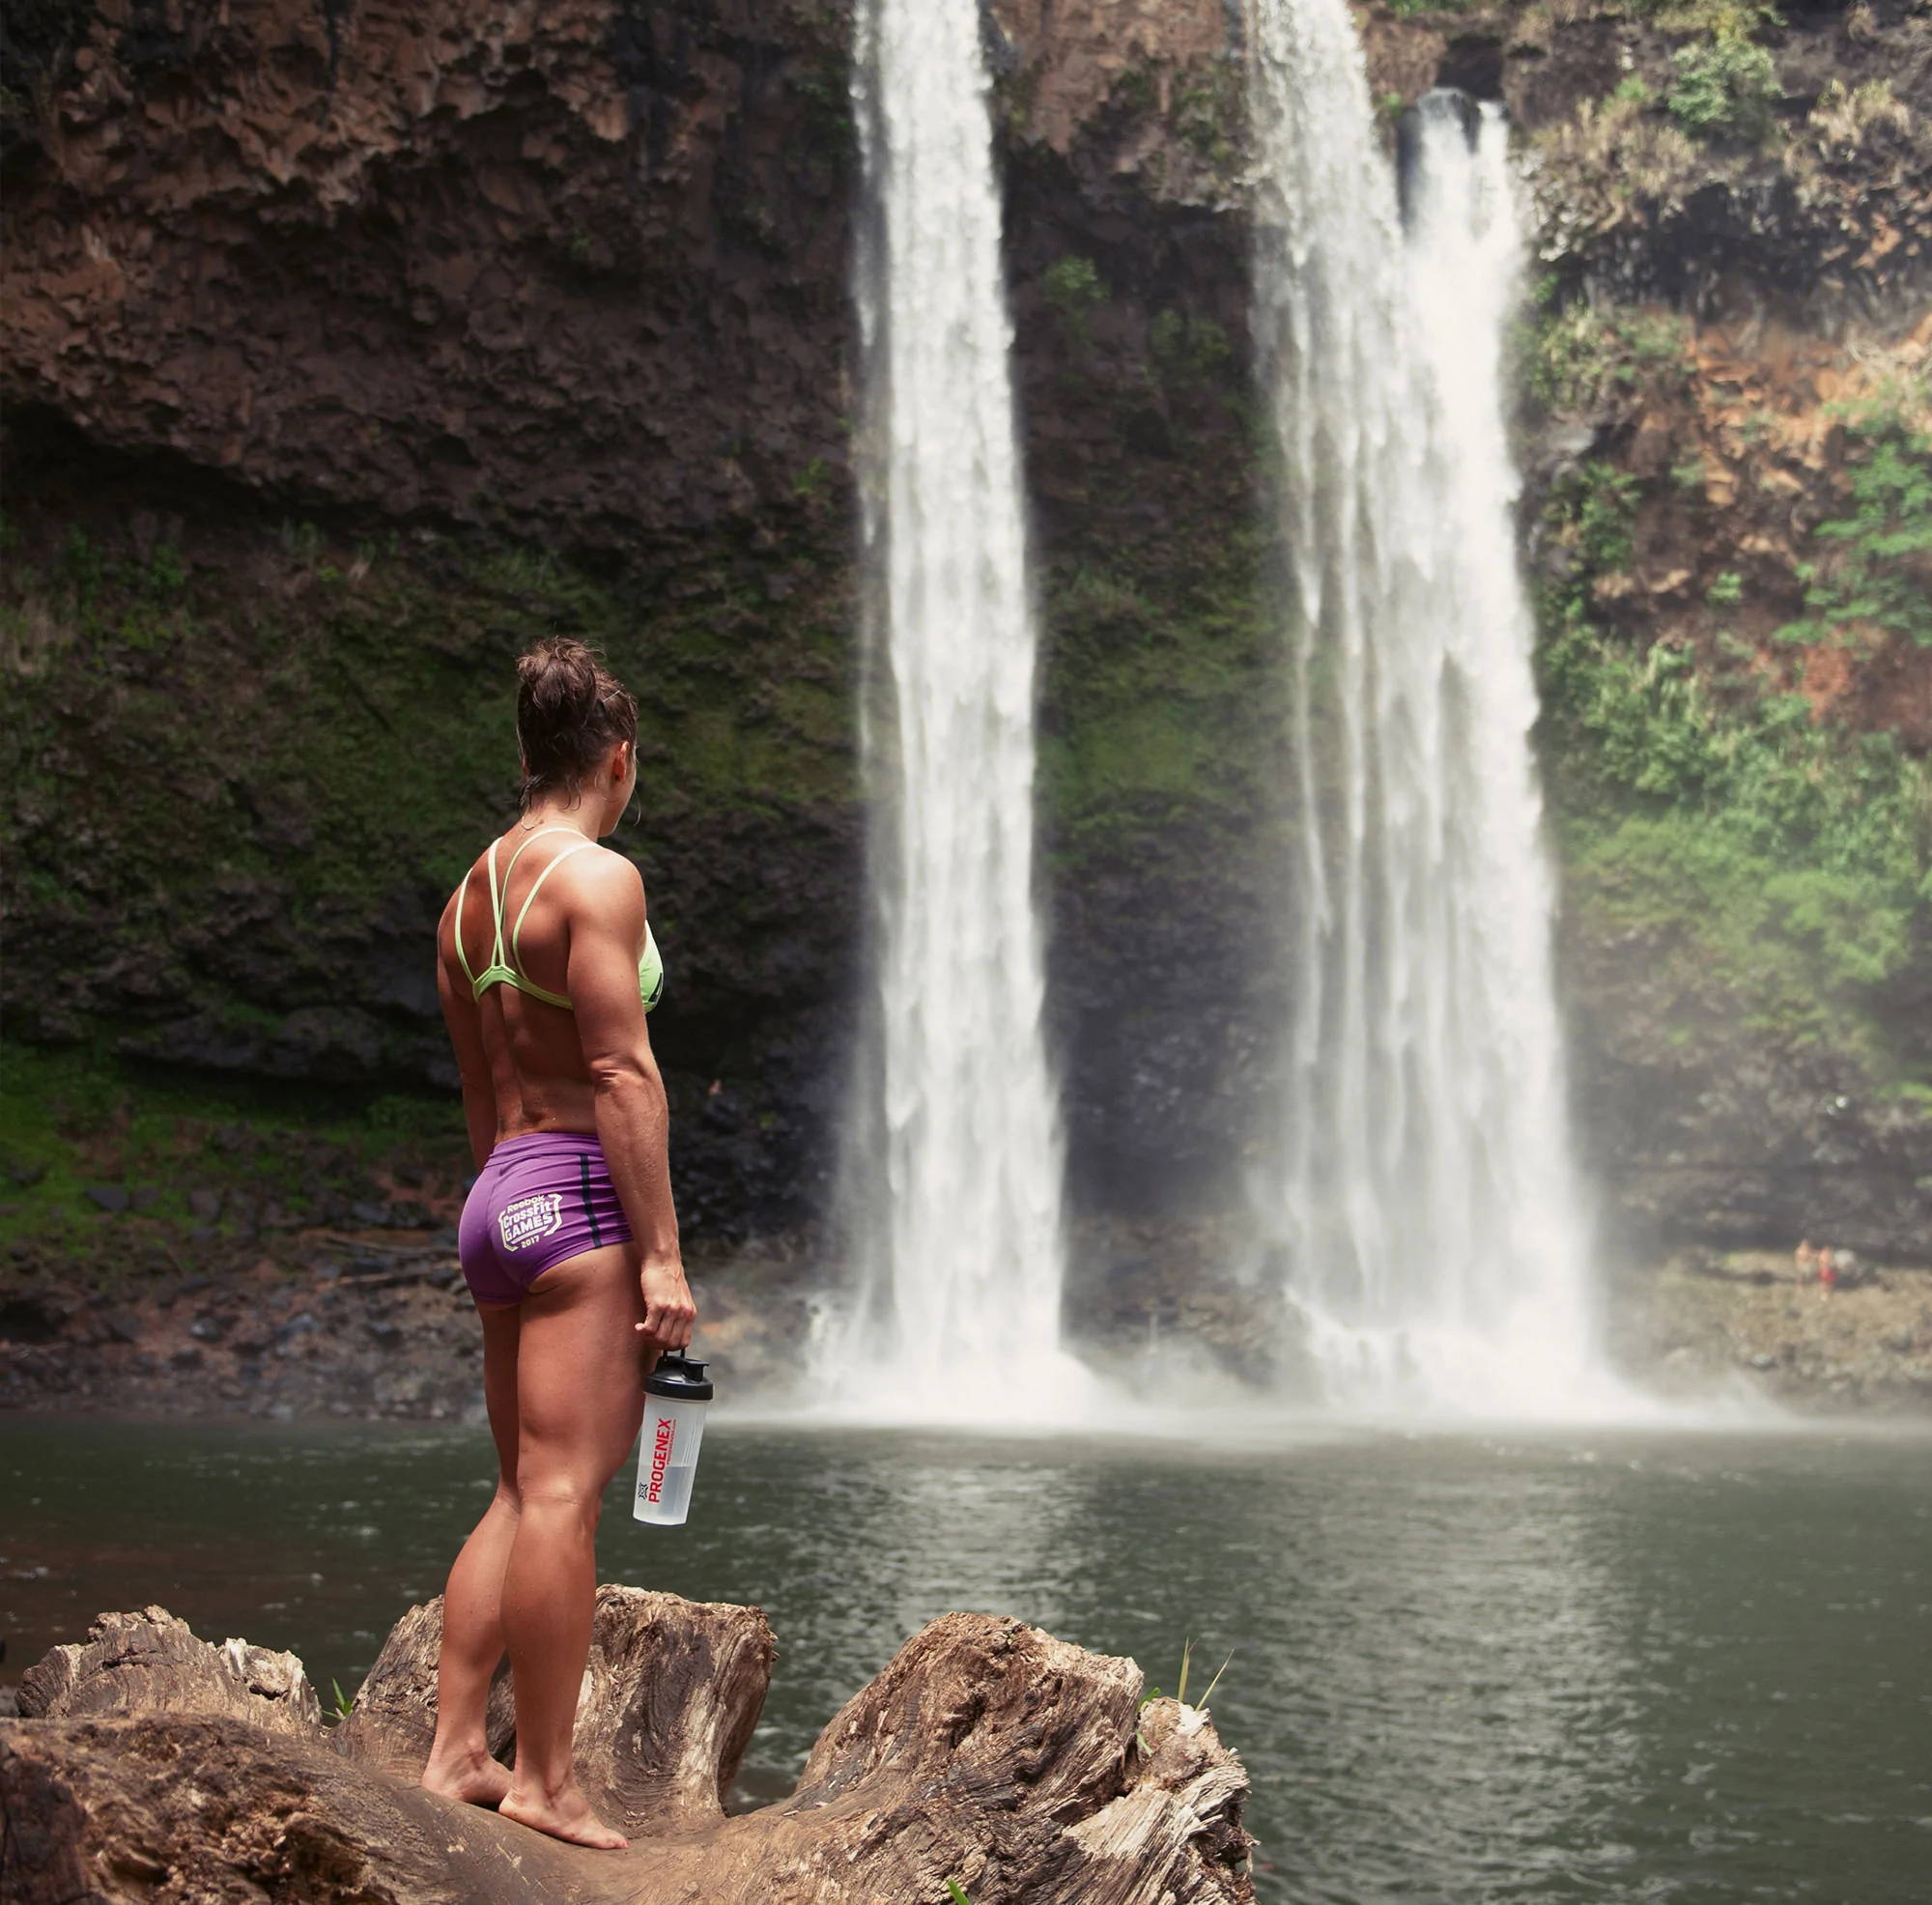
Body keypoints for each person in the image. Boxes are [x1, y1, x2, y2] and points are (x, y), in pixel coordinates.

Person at [418, 636, 695, 1850]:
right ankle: (543, 1779)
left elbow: (485, 1094)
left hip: (500, 1200)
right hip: (580, 1196)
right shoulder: (598, 879)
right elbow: (620, 1071)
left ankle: (449, 1748)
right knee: (566, 1496)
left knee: (517, 1485)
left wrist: (505, 1207)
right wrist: (663, 1256)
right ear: (616, 761)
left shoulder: (465, 897)